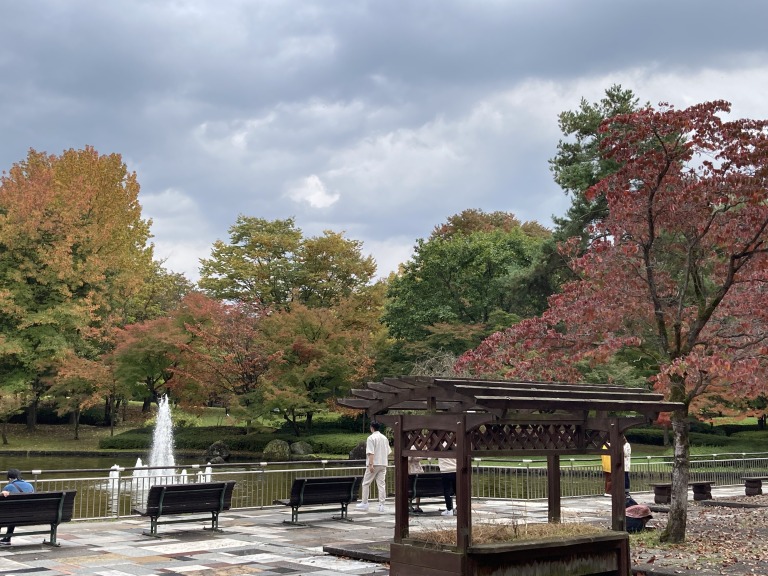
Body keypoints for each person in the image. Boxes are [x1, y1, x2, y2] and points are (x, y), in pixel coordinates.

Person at [355, 422, 391, 513]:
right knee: (381, 484)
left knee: (366, 483)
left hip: (374, 464)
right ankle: (382, 504)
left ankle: (365, 503)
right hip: (383, 463)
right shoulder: (384, 438)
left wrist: (371, 464)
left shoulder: (371, 438)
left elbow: (371, 452)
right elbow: (388, 451)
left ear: (372, 428)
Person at [1, 468, 35, 545]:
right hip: (30, 515)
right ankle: (7, 538)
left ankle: (7, 539)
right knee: (14, 513)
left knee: (10, 514)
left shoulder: (8, 487)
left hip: (12, 516)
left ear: (9, 478)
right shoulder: (30, 485)